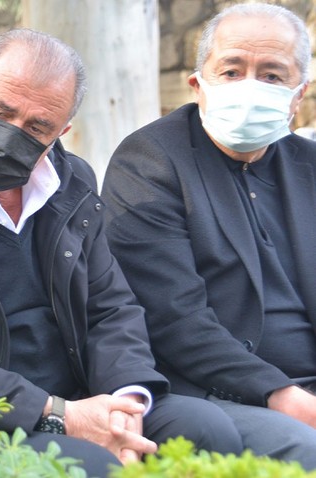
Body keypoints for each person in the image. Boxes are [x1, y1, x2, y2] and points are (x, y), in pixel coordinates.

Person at [0, 28, 242, 476]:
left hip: (78, 397)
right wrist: (60, 415)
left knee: (205, 431)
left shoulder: (70, 184)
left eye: (37, 127)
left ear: (62, 130)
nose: (12, 134)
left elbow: (110, 308)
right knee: (91, 464)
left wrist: (126, 401)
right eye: (0, 111)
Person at [101, 3, 316, 470]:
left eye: (273, 76)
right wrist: (287, 397)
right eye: (232, 70)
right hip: (221, 392)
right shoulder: (149, 162)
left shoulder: (309, 166)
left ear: (299, 96)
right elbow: (174, 318)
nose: (251, 87)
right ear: (199, 84)